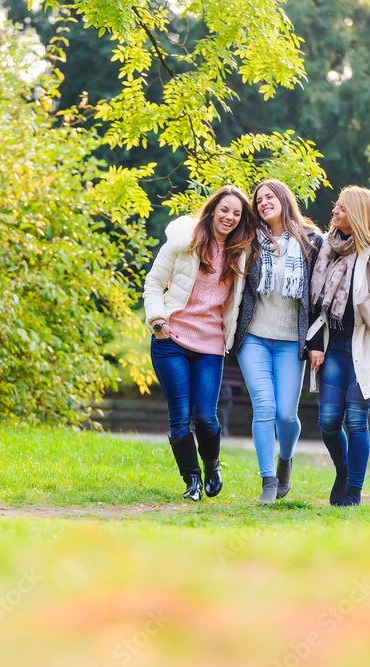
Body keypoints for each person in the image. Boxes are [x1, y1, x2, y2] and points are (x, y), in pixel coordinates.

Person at [143, 185, 255, 501]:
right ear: (212, 210)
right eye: (225, 210)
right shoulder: (183, 241)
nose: (230, 217)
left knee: (205, 416)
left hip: (210, 345)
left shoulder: (241, 253)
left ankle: (211, 465)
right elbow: (153, 283)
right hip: (171, 339)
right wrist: (157, 320)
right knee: (179, 415)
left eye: (237, 213)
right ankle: (191, 481)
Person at [307, 186, 370, 506]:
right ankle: (343, 469)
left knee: (355, 420)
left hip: (364, 348)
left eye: (341, 208)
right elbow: (314, 303)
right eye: (336, 207)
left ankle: (353, 491)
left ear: (358, 215)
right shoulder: (328, 247)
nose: (334, 212)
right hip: (334, 346)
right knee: (327, 423)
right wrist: (314, 343)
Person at [232, 180, 323, 504]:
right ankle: (267, 480)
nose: (263, 203)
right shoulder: (249, 241)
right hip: (254, 338)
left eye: (269, 197)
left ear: (284, 199)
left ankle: (285, 461)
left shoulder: (312, 241)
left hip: (290, 342)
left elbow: (319, 297)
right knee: (265, 407)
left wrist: (317, 342)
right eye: (258, 201)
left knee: (286, 414)